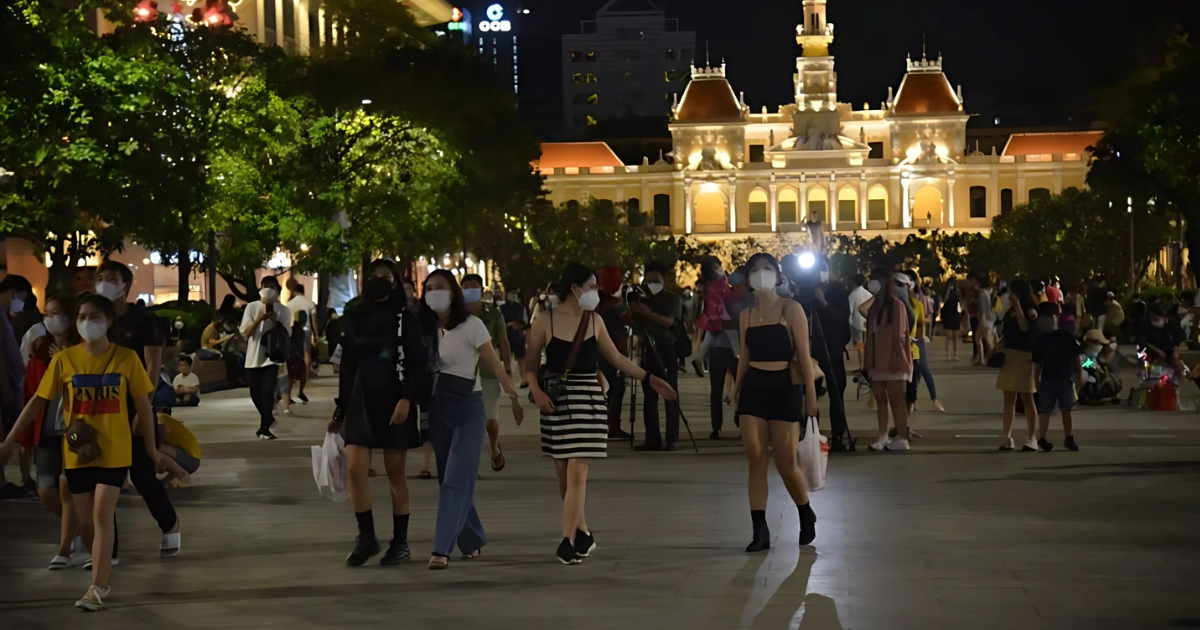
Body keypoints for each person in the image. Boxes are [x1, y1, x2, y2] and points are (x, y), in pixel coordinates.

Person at [0, 293, 162, 611]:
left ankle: (97, 587)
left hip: (115, 450)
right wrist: (10, 440)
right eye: (82, 317)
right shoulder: (65, 360)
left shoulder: (126, 359)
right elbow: (37, 402)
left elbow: (143, 402)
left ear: (109, 321)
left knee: (102, 514)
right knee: (87, 520)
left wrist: (151, 447)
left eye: (94, 316)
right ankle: (98, 561)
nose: (86, 322)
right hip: (78, 453)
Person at [527, 263, 677, 564]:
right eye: (593, 286)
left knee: (578, 475)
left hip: (589, 399)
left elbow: (617, 359)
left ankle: (567, 540)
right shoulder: (545, 320)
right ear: (575, 288)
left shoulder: (594, 321)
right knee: (564, 476)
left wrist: (649, 378)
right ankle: (583, 533)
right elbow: (530, 365)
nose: (596, 292)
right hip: (557, 401)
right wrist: (537, 392)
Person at [327, 260, 430, 567]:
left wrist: (408, 400)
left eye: (385, 277)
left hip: (394, 400)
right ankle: (366, 536)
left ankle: (400, 543)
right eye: (373, 277)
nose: (378, 281)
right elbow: (347, 365)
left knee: (395, 475)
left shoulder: (405, 318)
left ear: (395, 281)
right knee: (355, 471)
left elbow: (418, 364)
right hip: (361, 400)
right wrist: (341, 407)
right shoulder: (355, 316)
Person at [419, 271, 517, 570]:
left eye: (441, 288)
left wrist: (513, 395)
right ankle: (471, 538)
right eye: (430, 288)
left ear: (453, 293)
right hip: (437, 407)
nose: (435, 293)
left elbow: (494, 362)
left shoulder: (472, 325)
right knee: (448, 477)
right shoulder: (421, 328)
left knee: (457, 478)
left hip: (468, 407)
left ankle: (441, 548)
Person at [93, 260, 181, 556]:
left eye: (112, 278)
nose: (105, 282)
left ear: (125, 285)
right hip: (100, 405)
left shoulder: (142, 319)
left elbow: (153, 366)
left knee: (142, 474)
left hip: (134, 403)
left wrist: (143, 408)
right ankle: (108, 549)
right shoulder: (95, 319)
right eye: (100, 277)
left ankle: (169, 523)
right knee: (104, 479)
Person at [734, 253, 819, 551]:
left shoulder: (791, 308)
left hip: (784, 386)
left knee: (785, 461)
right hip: (754, 387)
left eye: (767, 269)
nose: (761, 274)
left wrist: (811, 396)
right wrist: (737, 388)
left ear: (778, 275)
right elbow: (744, 355)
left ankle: (805, 510)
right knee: (755, 455)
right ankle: (760, 529)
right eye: (755, 270)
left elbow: (804, 355)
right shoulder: (745, 315)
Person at [21, 294, 85, 568]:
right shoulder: (39, 350)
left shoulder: (85, 349)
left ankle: (66, 547)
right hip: (46, 430)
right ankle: (81, 531)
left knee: (68, 489)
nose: (51, 318)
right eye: (47, 313)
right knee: (46, 491)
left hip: (76, 429)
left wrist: (66, 361)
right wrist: (23, 437)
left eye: (57, 312)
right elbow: (31, 396)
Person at [629, 261, 683, 451]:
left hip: (667, 348)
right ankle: (652, 438)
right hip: (647, 350)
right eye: (649, 279)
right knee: (649, 395)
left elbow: (669, 322)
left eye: (655, 279)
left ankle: (672, 438)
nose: (652, 283)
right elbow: (635, 324)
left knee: (670, 393)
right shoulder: (641, 299)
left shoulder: (672, 299)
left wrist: (647, 312)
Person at [461, 273, 512, 473]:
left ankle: (493, 446)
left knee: (490, 420)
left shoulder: (494, 313)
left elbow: (504, 341)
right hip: (464, 375)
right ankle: (469, 462)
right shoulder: (456, 315)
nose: (469, 290)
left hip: (489, 373)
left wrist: (507, 368)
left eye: (473, 286)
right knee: (467, 421)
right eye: (465, 286)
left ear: (482, 291)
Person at [858, 266, 912, 451]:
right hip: (876, 361)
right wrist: (866, 363)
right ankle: (882, 436)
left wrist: (899, 359)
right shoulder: (874, 308)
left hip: (893, 361)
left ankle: (901, 437)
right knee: (880, 399)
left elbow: (899, 336)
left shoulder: (897, 306)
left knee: (897, 400)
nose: (873, 282)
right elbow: (869, 335)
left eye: (877, 279)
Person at [240, 276, 291, 440]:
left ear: (277, 289)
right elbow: (246, 333)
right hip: (253, 357)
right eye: (265, 286)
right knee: (255, 393)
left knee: (267, 391)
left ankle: (264, 428)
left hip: (272, 357)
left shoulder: (283, 310)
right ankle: (267, 417)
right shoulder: (252, 307)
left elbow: (286, 334)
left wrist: (275, 320)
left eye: (272, 286)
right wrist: (261, 318)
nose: (268, 289)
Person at [0, 274, 35, 498]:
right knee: (4, 435)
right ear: (13, 293)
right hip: (6, 383)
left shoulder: (4, 314)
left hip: (11, 381)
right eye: (22, 297)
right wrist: (4, 386)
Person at [1032, 302, 1083, 452]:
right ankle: (1042, 438)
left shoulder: (1066, 335)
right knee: (1045, 410)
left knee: (1066, 409)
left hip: (1065, 378)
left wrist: (1079, 375)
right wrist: (1035, 379)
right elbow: (1037, 362)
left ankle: (1069, 437)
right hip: (1048, 378)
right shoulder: (1040, 339)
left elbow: (1076, 357)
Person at [707, 266, 750, 440]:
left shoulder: (750, 300)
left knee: (742, 389)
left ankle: (742, 423)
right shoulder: (726, 298)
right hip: (720, 348)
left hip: (737, 349)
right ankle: (716, 427)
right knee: (716, 390)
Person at [996, 280, 1040, 451]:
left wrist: (1018, 307)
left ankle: (1032, 437)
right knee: (1008, 397)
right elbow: (1007, 332)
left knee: (1027, 398)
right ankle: (1006, 436)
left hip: (1025, 356)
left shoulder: (1030, 310)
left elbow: (1024, 328)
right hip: (1010, 355)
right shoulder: (1010, 312)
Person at [595, 267, 632, 440]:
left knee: (605, 391)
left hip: (598, 353)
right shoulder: (615, 305)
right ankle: (612, 426)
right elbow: (629, 321)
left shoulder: (597, 303)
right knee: (616, 391)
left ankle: (603, 425)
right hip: (614, 353)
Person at [902, 272, 945, 414]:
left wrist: (917, 341)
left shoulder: (916, 304)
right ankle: (912, 401)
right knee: (912, 374)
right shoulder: (899, 304)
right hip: (905, 343)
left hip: (913, 342)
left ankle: (932, 399)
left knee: (921, 371)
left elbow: (920, 325)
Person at [692, 259, 733, 377]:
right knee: (732, 339)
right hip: (720, 314)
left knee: (709, 339)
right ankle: (699, 359)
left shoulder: (707, 283)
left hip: (711, 315)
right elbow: (726, 295)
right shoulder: (718, 282)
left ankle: (699, 358)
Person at [285, 281, 317, 404]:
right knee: (306, 360)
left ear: (294, 291)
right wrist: (316, 333)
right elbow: (313, 319)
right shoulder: (309, 304)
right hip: (305, 331)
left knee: (291, 362)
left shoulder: (288, 304)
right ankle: (301, 390)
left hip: (291, 333)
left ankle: (287, 394)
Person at [500, 289, 530, 388]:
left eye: (514, 294)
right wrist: (510, 324)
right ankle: (508, 381)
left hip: (518, 336)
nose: (512, 296)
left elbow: (525, 322)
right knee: (506, 360)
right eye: (510, 293)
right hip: (506, 336)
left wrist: (520, 326)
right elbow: (500, 323)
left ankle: (523, 379)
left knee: (521, 359)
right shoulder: (502, 308)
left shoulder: (521, 308)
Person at [848, 274, 871, 372]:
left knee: (859, 345)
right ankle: (867, 365)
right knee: (868, 345)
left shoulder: (853, 294)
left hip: (856, 323)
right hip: (867, 321)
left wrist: (849, 323)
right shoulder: (868, 294)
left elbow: (850, 310)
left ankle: (861, 366)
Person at [973, 276, 997, 365]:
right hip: (990, 318)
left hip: (986, 319)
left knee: (985, 339)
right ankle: (983, 359)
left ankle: (991, 359)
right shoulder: (986, 293)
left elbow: (983, 309)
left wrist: (982, 321)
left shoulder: (982, 294)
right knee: (983, 339)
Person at [941, 281, 962, 360]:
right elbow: (945, 299)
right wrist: (948, 289)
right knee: (949, 335)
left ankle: (954, 353)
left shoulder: (957, 294)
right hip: (948, 315)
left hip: (955, 314)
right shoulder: (947, 293)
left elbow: (960, 303)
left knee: (955, 336)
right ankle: (949, 353)